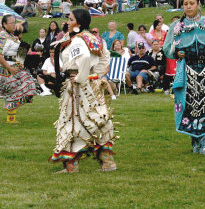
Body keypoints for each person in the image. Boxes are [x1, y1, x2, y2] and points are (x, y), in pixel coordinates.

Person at [49, 9, 117, 173]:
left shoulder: (78, 40)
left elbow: (85, 58)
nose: (67, 21)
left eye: (70, 19)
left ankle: (72, 165)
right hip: (92, 85)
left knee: (71, 123)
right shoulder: (94, 38)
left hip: (78, 86)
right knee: (97, 119)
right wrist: (96, 75)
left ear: (78, 22)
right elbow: (105, 58)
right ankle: (107, 161)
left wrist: (80, 77)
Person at [164, 0, 205, 156]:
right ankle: (195, 142)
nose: (188, 6)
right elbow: (167, 48)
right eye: (185, 4)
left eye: (192, 3)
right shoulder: (177, 26)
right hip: (187, 71)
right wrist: (177, 53)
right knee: (190, 107)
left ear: (198, 5)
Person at [0, 15, 36, 123]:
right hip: (6, 70)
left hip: (15, 68)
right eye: (11, 23)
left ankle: (11, 118)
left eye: (14, 23)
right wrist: (9, 68)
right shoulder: (3, 36)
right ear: (4, 24)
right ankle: (11, 118)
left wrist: (23, 52)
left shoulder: (12, 36)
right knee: (15, 91)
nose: (13, 25)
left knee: (27, 86)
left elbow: (16, 52)